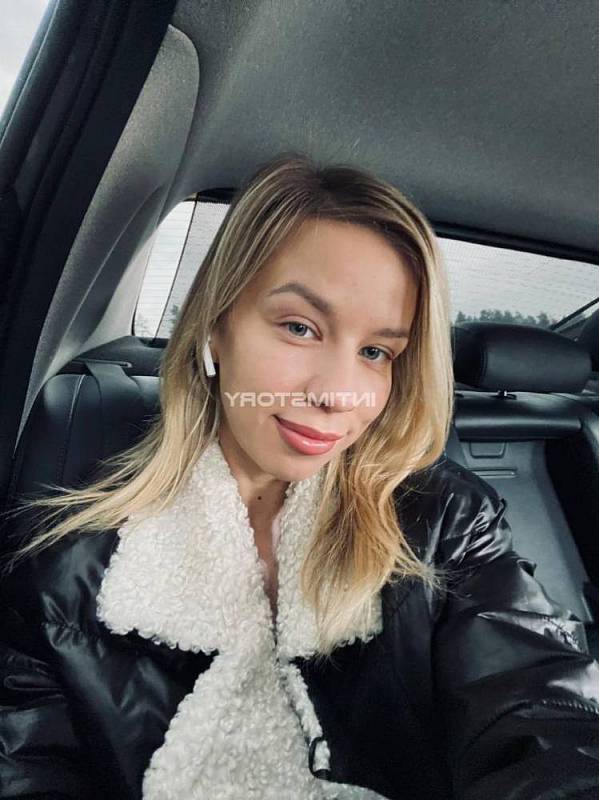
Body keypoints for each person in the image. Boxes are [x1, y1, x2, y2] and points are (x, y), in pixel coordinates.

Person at [0, 153, 598, 800]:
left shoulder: (442, 521)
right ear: (215, 327)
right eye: (299, 327)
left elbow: (541, 714)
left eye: (376, 352)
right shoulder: (64, 569)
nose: (338, 393)